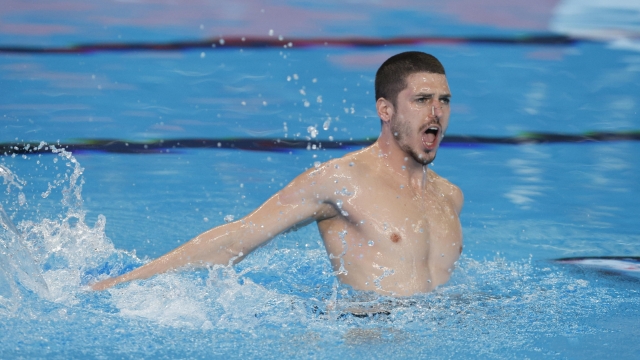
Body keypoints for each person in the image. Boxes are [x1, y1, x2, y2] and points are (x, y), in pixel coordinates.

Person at [91, 51, 463, 296]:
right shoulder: (341, 181)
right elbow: (237, 238)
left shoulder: (449, 197)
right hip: (368, 340)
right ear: (385, 110)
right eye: (421, 100)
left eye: (443, 101)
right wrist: (121, 284)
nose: (436, 113)